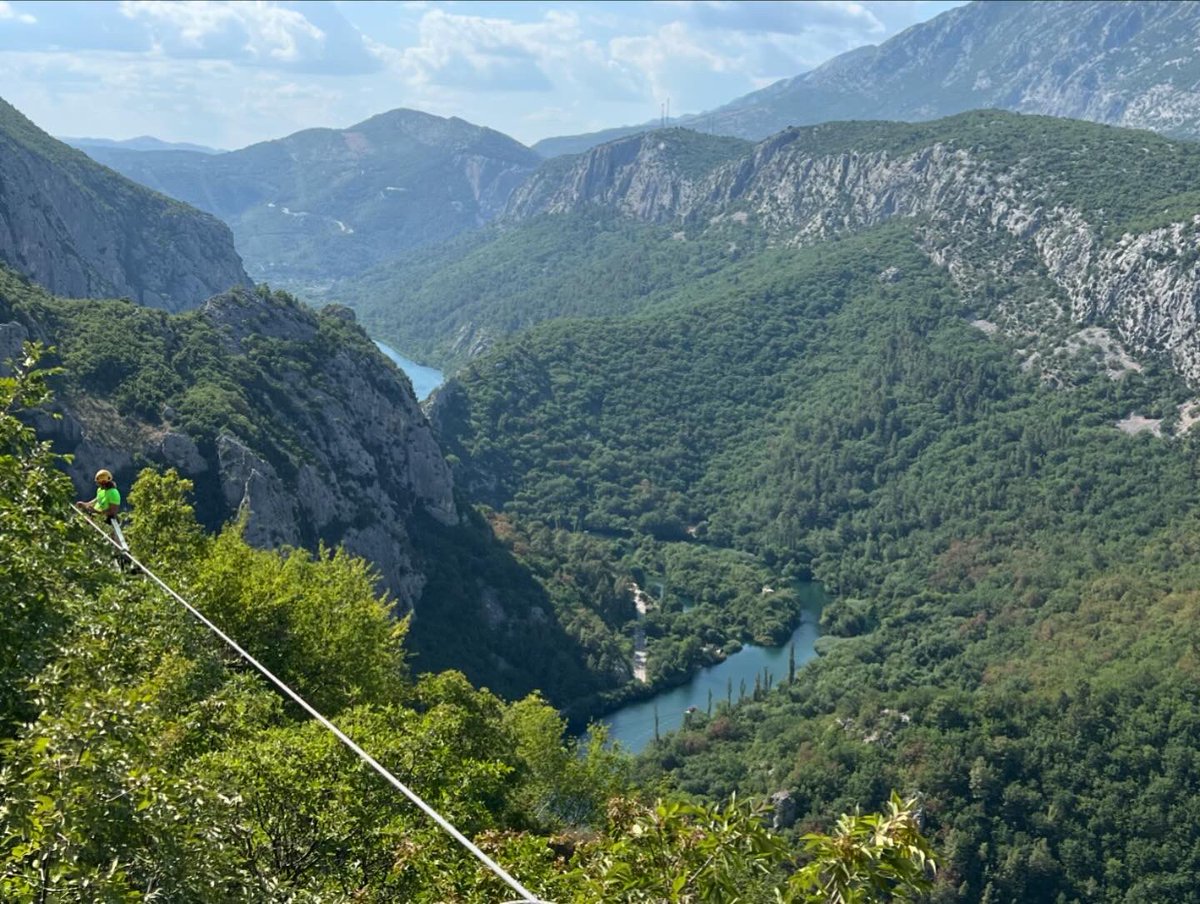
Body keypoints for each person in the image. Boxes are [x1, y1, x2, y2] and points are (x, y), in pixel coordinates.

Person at [76, 468, 130, 558]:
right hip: (96, 517)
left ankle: (122, 559)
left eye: (99, 482)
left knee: (115, 543)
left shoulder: (113, 493)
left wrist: (95, 511)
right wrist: (85, 504)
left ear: (104, 482)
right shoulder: (100, 490)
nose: (97, 484)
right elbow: (97, 499)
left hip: (108, 521)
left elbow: (112, 512)